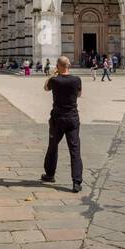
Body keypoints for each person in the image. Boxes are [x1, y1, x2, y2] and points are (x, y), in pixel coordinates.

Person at [41, 56, 83, 193]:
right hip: (72, 118)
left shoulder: (54, 80)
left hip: (57, 118)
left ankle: (50, 175)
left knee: (53, 146)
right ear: (69, 65)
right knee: (75, 150)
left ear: (58, 66)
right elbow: (79, 94)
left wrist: (52, 75)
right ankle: (76, 182)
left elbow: (45, 88)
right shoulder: (77, 80)